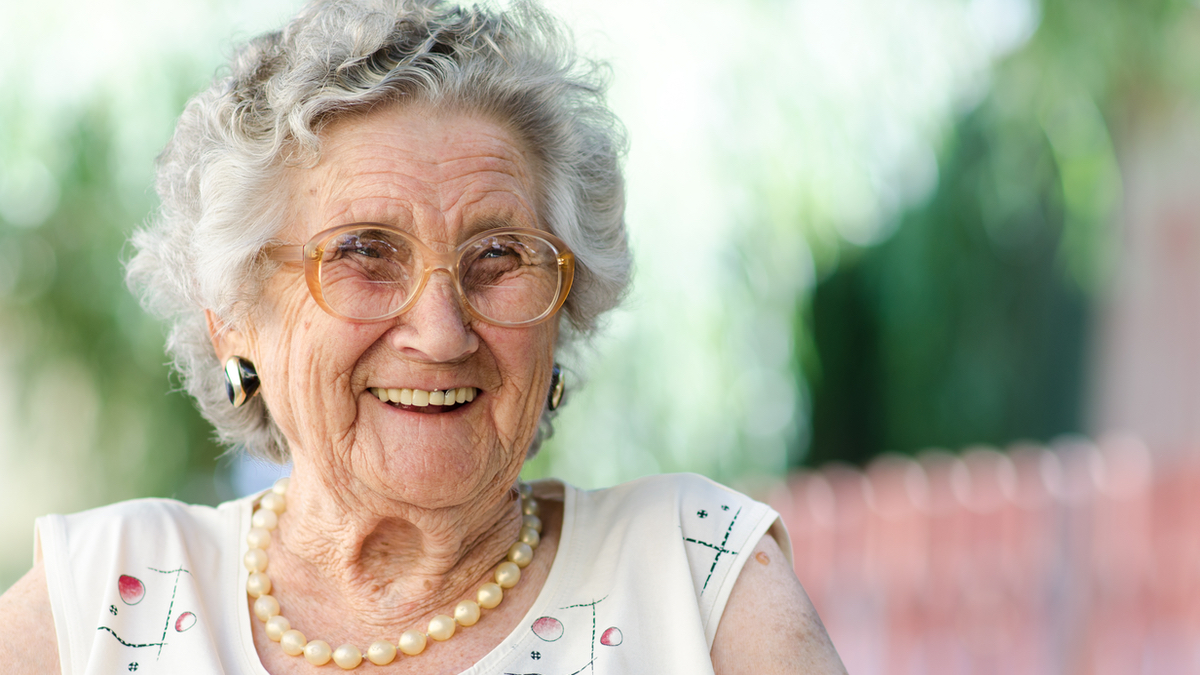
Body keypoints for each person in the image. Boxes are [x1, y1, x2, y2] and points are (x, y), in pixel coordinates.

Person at [0, 0, 845, 672]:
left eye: (499, 255)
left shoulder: (697, 578)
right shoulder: (101, 602)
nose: (442, 333)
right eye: (365, 252)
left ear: (564, 305)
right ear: (235, 319)